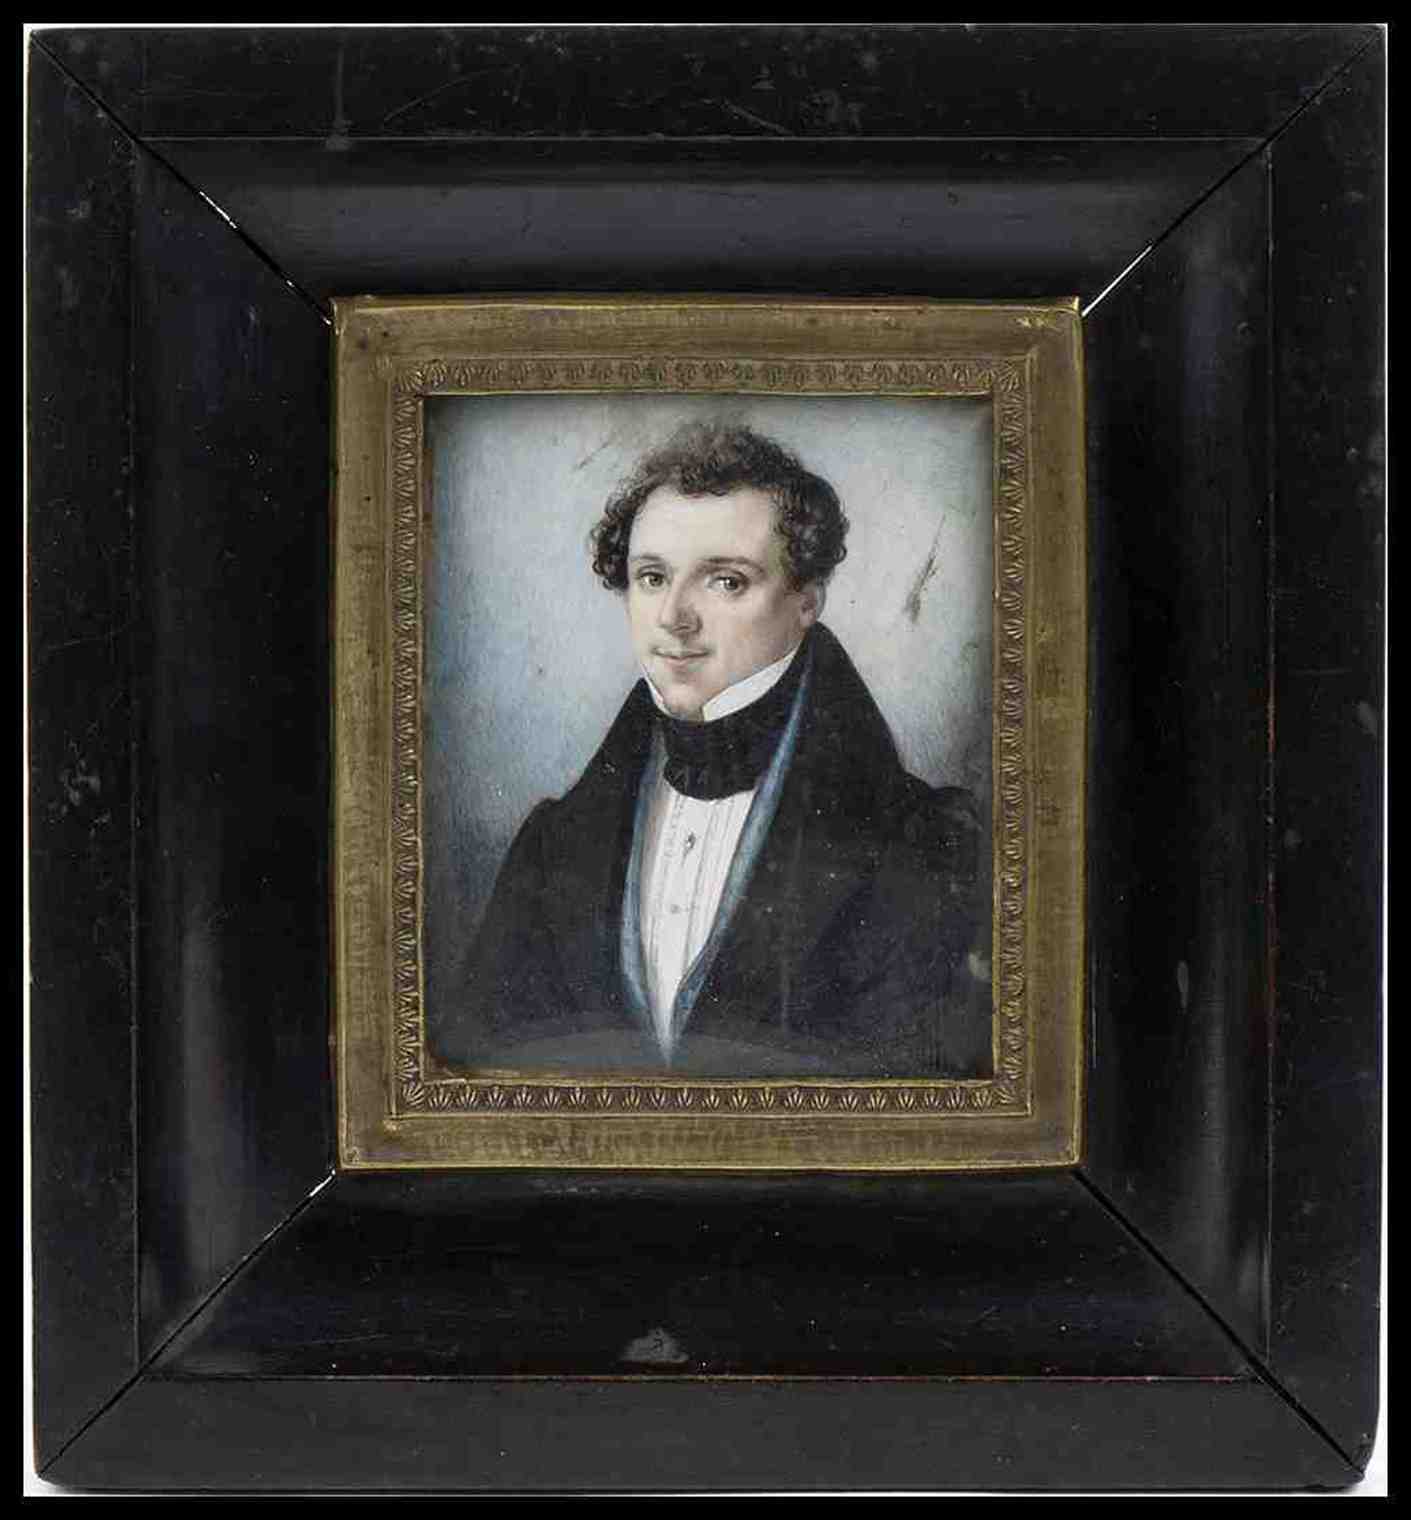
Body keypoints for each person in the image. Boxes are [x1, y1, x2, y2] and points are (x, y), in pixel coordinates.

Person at [432, 422, 988, 1078]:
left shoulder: (923, 844)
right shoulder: (551, 847)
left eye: (724, 582)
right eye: (651, 577)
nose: (674, 616)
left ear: (806, 601)